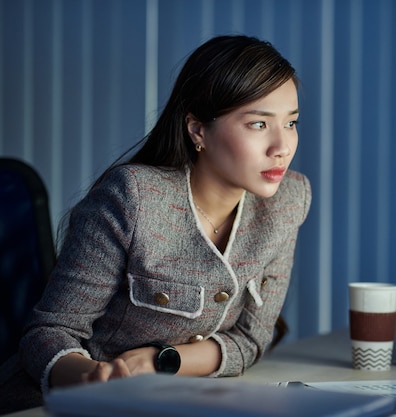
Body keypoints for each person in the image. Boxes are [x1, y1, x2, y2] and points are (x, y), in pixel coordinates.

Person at [0, 34, 311, 413]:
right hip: (57, 404)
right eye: (259, 125)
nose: (282, 146)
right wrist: (93, 378)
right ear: (198, 130)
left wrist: (160, 361)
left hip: (179, 400)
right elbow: (47, 334)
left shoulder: (288, 201)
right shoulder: (134, 198)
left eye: (291, 122)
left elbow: (250, 339)